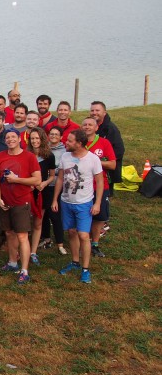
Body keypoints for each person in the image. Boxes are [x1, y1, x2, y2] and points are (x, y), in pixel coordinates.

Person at [53, 130, 104, 284]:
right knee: (72, 232)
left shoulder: (93, 159)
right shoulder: (65, 156)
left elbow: (100, 182)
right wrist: (55, 199)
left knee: (83, 235)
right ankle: (75, 262)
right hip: (66, 202)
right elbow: (60, 178)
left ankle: (85, 269)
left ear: (79, 143)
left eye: (69, 141)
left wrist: (97, 203)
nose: (65, 143)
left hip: (84, 203)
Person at [0, 129, 41, 284]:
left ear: (19, 139)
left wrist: (17, 179)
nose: (10, 139)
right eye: (7, 137)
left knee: (22, 236)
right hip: (5, 202)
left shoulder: (29, 157)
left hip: (22, 201)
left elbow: (37, 180)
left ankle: (24, 270)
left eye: (13, 137)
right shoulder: (0, 156)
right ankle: (13, 262)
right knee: (9, 234)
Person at [81, 117, 116, 258]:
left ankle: (94, 244)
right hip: (81, 187)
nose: (87, 127)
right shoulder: (77, 142)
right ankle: (83, 243)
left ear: (96, 128)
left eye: (90, 125)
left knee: (99, 216)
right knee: (83, 215)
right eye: (85, 125)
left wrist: (94, 161)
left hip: (99, 186)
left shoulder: (104, 143)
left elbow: (112, 164)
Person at [26, 127, 56, 266]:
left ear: (42, 139)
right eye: (32, 138)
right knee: (26, 222)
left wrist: (44, 183)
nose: (35, 141)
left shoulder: (49, 156)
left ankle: (33, 252)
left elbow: (52, 176)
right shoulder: (26, 154)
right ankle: (23, 248)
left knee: (38, 222)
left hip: (42, 192)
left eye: (37, 138)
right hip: (28, 192)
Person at [42, 126, 68, 255]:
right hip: (43, 185)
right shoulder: (43, 148)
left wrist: (53, 170)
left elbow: (64, 168)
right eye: (51, 134)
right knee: (44, 215)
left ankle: (60, 243)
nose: (53, 136)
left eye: (56, 134)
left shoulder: (64, 151)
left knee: (55, 215)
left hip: (55, 186)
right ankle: (46, 238)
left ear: (61, 137)